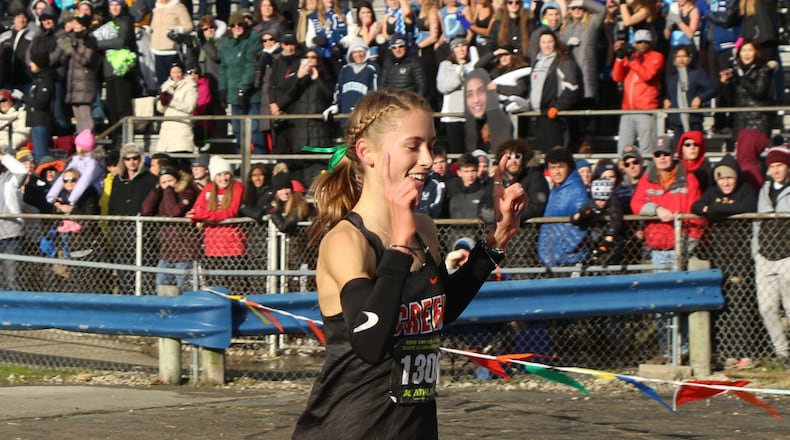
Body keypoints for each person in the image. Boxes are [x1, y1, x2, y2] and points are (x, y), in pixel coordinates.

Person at [293, 89, 526, 438]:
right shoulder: (347, 241)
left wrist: (496, 241)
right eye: (413, 146)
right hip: (349, 429)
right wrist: (399, 248)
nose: (428, 159)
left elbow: (440, 310)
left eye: (430, 145)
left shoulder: (424, 228)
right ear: (367, 152)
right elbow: (369, 343)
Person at [630, 139, 704, 267]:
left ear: (673, 154)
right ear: (653, 157)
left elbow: (697, 216)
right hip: (657, 250)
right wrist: (657, 209)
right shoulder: (646, 179)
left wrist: (689, 245)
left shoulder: (689, 179)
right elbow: (635, 204)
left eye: (666, 154)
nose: (662, 158)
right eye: (658, 154)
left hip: (683, 248)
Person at [753, 146, 790, 366]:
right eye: (772, 166)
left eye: (780, 166)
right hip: (765, 257)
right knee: (767, 308)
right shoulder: (764, 190)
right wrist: (755, 251)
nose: (776, 170)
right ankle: (782, 352)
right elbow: (757, 222)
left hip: (787, 256)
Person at [187, 155, 247, 290]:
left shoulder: (237, 187)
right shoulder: (209, 188)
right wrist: (200, 215)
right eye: (219, 175)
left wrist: (203, 215)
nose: (223, 178)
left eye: (226, 173)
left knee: (236, 287)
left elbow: (231, 212)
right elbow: (195, 210)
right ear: (213, 176)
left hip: (233, 246)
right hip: (212, 247)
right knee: (215, 288)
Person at [141, 165, 201, 293]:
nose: (167, 185)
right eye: (164, 182)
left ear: (177, 181)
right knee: (161, 284)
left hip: (185, 250)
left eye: (170, 181)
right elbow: (146, 210)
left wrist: (168, 191)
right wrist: (156, 191)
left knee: (184, 286)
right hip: (167, 250)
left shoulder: (186, 191)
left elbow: (174, 211)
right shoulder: (162, 194)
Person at [612, 29, 664, 157]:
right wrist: (619, 58)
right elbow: (617, 77)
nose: (642, 44)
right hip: (627, 110)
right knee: (623, 150)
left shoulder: (657, 56)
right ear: (634, 43)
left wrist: (631, 58)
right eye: (639, 42)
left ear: (651, 43)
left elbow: (647, 75)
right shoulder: (632, 57)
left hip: (646, 109)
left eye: (646, 42)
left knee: (647, 150)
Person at [537, 146, 590, 267]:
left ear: (569, 167)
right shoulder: (555, 190)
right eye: (553, 167)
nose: (557, 172)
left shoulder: (576, 190)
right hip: (554, 258)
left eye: (561, 167)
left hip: (570, 259)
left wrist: (563, 251)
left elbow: (581, 226)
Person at [220, 11, 264, 154]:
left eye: (239, 24)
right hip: (234, 94)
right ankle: (241, 158)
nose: (237, 27)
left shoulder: (253, 39)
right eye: (233, 25)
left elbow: (251, 66)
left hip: (252, 94)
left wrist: (243, 89)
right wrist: (223, 89)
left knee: (255, 129)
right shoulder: (227, 42)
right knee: (238, 129)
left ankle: (260, 160)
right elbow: (224, 68)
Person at [719, 38, 775, 137]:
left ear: (756, 52)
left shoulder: (763, 70)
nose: (746, 54)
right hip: (739, 120)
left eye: (750, 50)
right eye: (743, 50)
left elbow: (759, 92)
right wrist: (726, 84)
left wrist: (742, 77)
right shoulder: (736, 72)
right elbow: (731, 99)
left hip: (758, 120)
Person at [663, 46, 718, 142]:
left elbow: (712, 88)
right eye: (678, 57)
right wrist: (666, 100)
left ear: (689, 58)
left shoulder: (697, 74)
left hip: (693, 119)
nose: (681, 59)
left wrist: (700, 98)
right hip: (677, 121)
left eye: (684, 56)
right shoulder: (673, 77)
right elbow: (669, 94)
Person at [571, 178, 626, 265]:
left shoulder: (614, 203)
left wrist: (610, 236)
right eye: (597, 199)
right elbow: (583, 211)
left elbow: (616, 220)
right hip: (596, 236)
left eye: (603, 199)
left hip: (614, 237)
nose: (599, 202)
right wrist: (577, 216)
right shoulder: (592, 203)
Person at [437, 36, 477, 154]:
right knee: (456, 150)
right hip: (453, 116)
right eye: (457, 46)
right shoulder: (445, 65)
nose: (461, 49)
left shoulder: (473, 66)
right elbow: (442, 87)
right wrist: (458, 78)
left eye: (463, 45)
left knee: (471, 151)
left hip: (470, 115)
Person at [46, 129, 104, 210]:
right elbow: (63, 176)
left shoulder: (93, 162)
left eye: (77, 145)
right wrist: (52, 195)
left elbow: (85, 180)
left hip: (90, 191)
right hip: (76, 189)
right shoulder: (76, 159)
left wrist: (71, 200)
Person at [61, 13, 99, 134]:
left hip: (85, 83)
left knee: (85, 116)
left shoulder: (89, 40)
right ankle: (81, 140)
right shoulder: (71, 39)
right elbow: (64, 59)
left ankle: (87, 139)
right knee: (78, 117)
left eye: (77, 23)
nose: (74, 25)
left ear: (84, 26)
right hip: (73, 83)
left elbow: (85, 60)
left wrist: (71, 50)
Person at [495, 138, 549, 221]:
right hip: (498, 227)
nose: (513, 161)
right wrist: (495, 216)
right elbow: (484, 205)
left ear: (523, 158)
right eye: (509, 157)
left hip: (525, 227)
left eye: (517, 156)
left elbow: (536, 207)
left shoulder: (535, 177)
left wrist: (509, 216)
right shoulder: (496, 180)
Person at [692, 154, 756, 218]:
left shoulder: (745, 189)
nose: (725, 183)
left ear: (737, 178)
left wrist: (713, 208)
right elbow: (696, 207)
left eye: (729, 178)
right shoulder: (712, 191)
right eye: (721, 179)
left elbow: (748, 207)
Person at [463, 68, 512, 152]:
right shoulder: (466, 125)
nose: (476, 99)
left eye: (481, 91)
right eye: (469, 94)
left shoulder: (501, 122)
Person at [155, 61, 197, 154]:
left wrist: (171, 101)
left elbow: (190, 107)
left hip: (182, 128)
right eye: (173, 72)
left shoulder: (190, 85)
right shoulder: (165, 86)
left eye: (178, 72)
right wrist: (162, 102)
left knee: (181, 156)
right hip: (167, 129)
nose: (176, 75)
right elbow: (160, 110)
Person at [0, 148, 27, 290]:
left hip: (10, 235)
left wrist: (2, 156)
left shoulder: (11, 179)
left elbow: (22, 171)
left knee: (11, 279)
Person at [149, 0, 193, 85]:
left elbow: (189, 26)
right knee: (161, 81)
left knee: (175, 80)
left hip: (172, 50)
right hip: (157, 50)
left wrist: (177, 30)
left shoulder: (179, 7)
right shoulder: (156, 8)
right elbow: (153, 26)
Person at [446, 152, 493, 221]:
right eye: (466, 171)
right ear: (459, 172)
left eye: (473, 171)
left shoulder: (485, 192)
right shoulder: (451, 190)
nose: (470, 175)